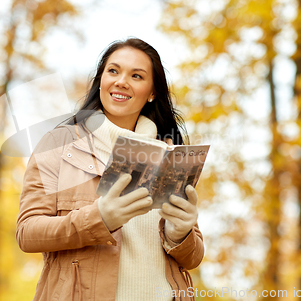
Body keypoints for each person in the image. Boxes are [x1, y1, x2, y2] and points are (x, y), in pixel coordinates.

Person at [16, 38, 204, 301]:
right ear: (101, 81)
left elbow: (193, 258)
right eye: (113, 71)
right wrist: (99, 219)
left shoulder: (171, 154)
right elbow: (28, 233)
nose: (121, 81)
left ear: (152, 93)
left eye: (137, 76)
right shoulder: (59, 144)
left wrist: (180, 234)